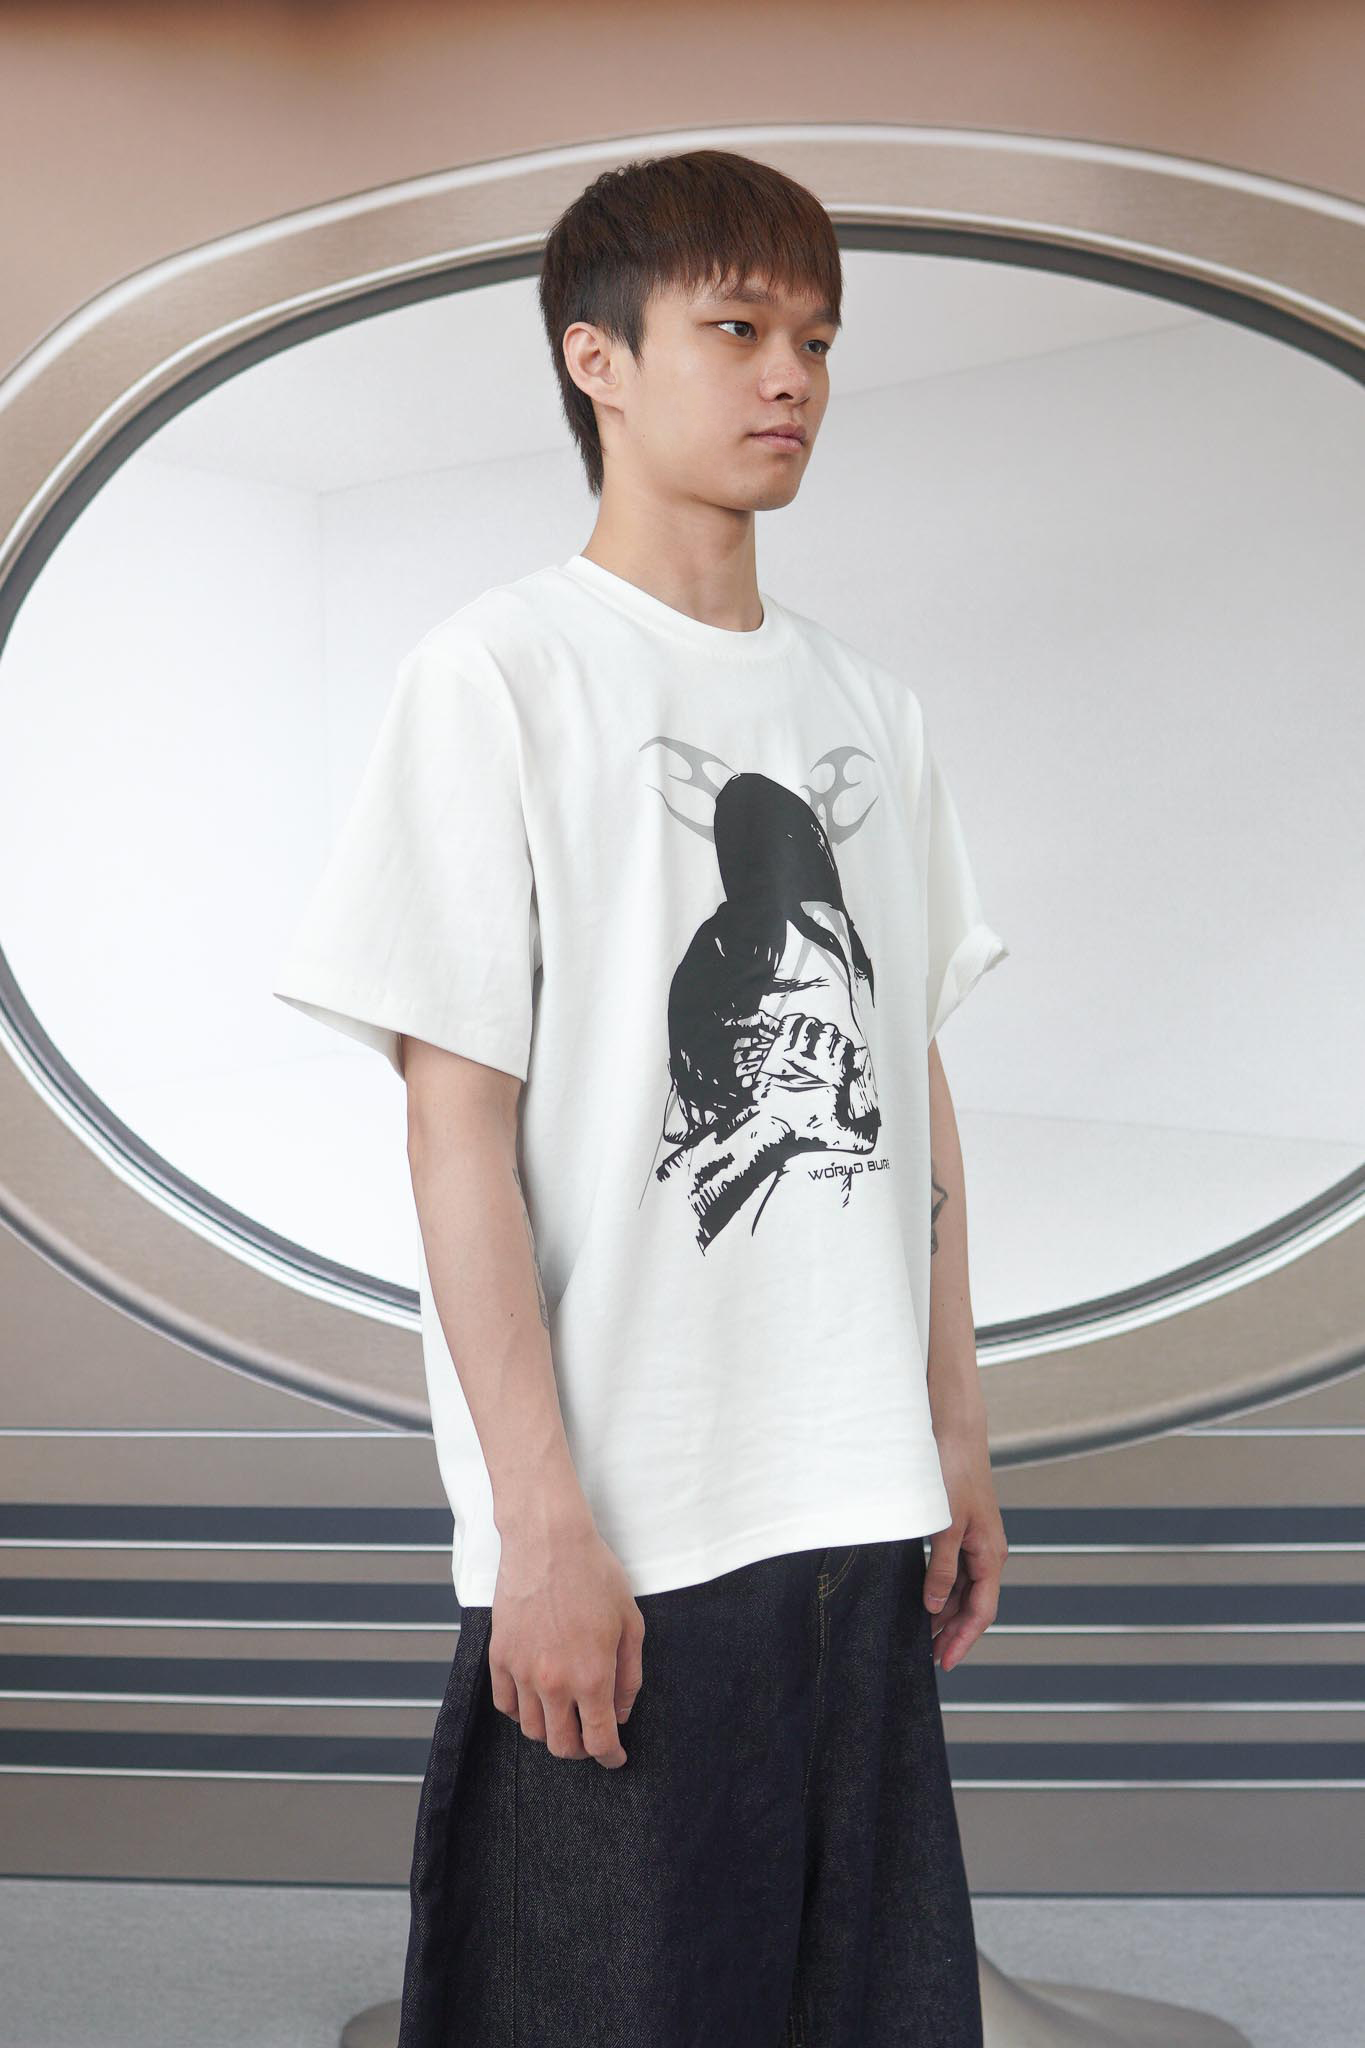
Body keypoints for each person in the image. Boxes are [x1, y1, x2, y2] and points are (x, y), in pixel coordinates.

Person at [273, 145, 1010, 2048]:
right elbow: (452, 1128)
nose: (792, 379)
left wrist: (953, 1430)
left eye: (818, 341)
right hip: (633, 1528)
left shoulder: (872, 708)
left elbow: (910, 1085)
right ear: (594, 359)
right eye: (738, 329)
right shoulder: (499, 677)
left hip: (853, 1504)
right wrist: (537, 1526)